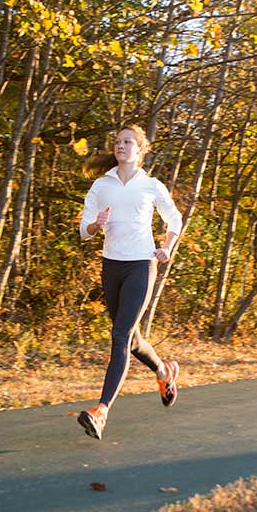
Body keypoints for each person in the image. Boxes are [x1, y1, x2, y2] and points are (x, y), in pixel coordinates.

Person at [76, 124, 183, 440]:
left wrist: (166, 247)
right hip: (112, 266)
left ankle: (101, 411)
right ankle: (164, 372)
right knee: (132, 339)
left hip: (141, 264)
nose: (120, 145)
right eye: (117, 141)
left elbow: (174, 220)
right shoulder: (101, 185)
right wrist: (96, 224)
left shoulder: (150, 186)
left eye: (127, 141)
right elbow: (84, 230)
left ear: (140, 149)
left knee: (120, 334)